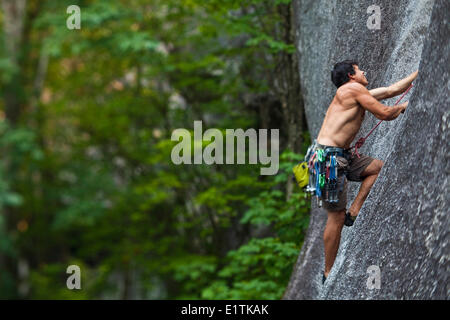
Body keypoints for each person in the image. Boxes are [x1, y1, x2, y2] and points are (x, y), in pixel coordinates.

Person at [316, 60, 418, 282]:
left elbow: (393, 90)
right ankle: (328, 272)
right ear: (352, 76)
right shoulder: (352, 90)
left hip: (341, 156)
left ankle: (355, 210)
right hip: (328, 160)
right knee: (335, 216)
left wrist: (421, 71)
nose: (364, 71)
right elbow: (384, 113)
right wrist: (406, 105)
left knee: (377, 169)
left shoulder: (355, 93)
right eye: (359, 69)